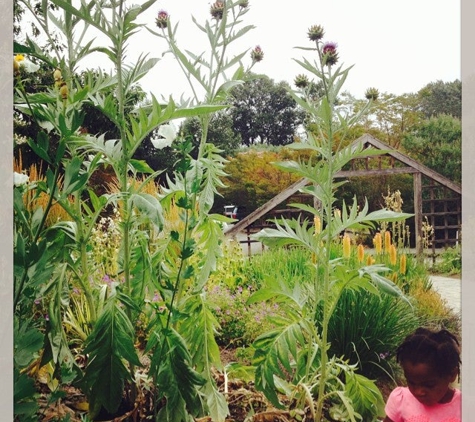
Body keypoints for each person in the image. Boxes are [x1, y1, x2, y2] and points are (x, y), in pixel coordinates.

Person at [383, 327, 461, 422]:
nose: (418, 392)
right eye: (411, 382)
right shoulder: (401, 400)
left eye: (429, 385)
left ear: (452, 375)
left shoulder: (463, 406)